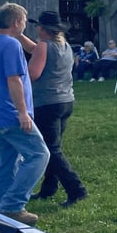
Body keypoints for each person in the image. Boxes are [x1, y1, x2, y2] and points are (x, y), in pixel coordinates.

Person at [23, 11, 88, 208]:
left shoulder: (44, 46)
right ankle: (49, 188)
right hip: (66, 100)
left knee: (51, 150)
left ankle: (77, 190)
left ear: (43, 29)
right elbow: (36, 50)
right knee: (52, 147)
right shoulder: (64, 46)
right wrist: (18, 36)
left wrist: (15, 68)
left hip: (47, 103)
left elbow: (33, 73)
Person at [0, 3, 50, 226]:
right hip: (11, 114)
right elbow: (13, 79)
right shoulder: (10, 45)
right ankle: (13, 206)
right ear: (16, 22)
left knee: (7, 162)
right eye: (25, 21)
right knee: (39, 154)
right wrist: (22, 113)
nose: (26, 25)